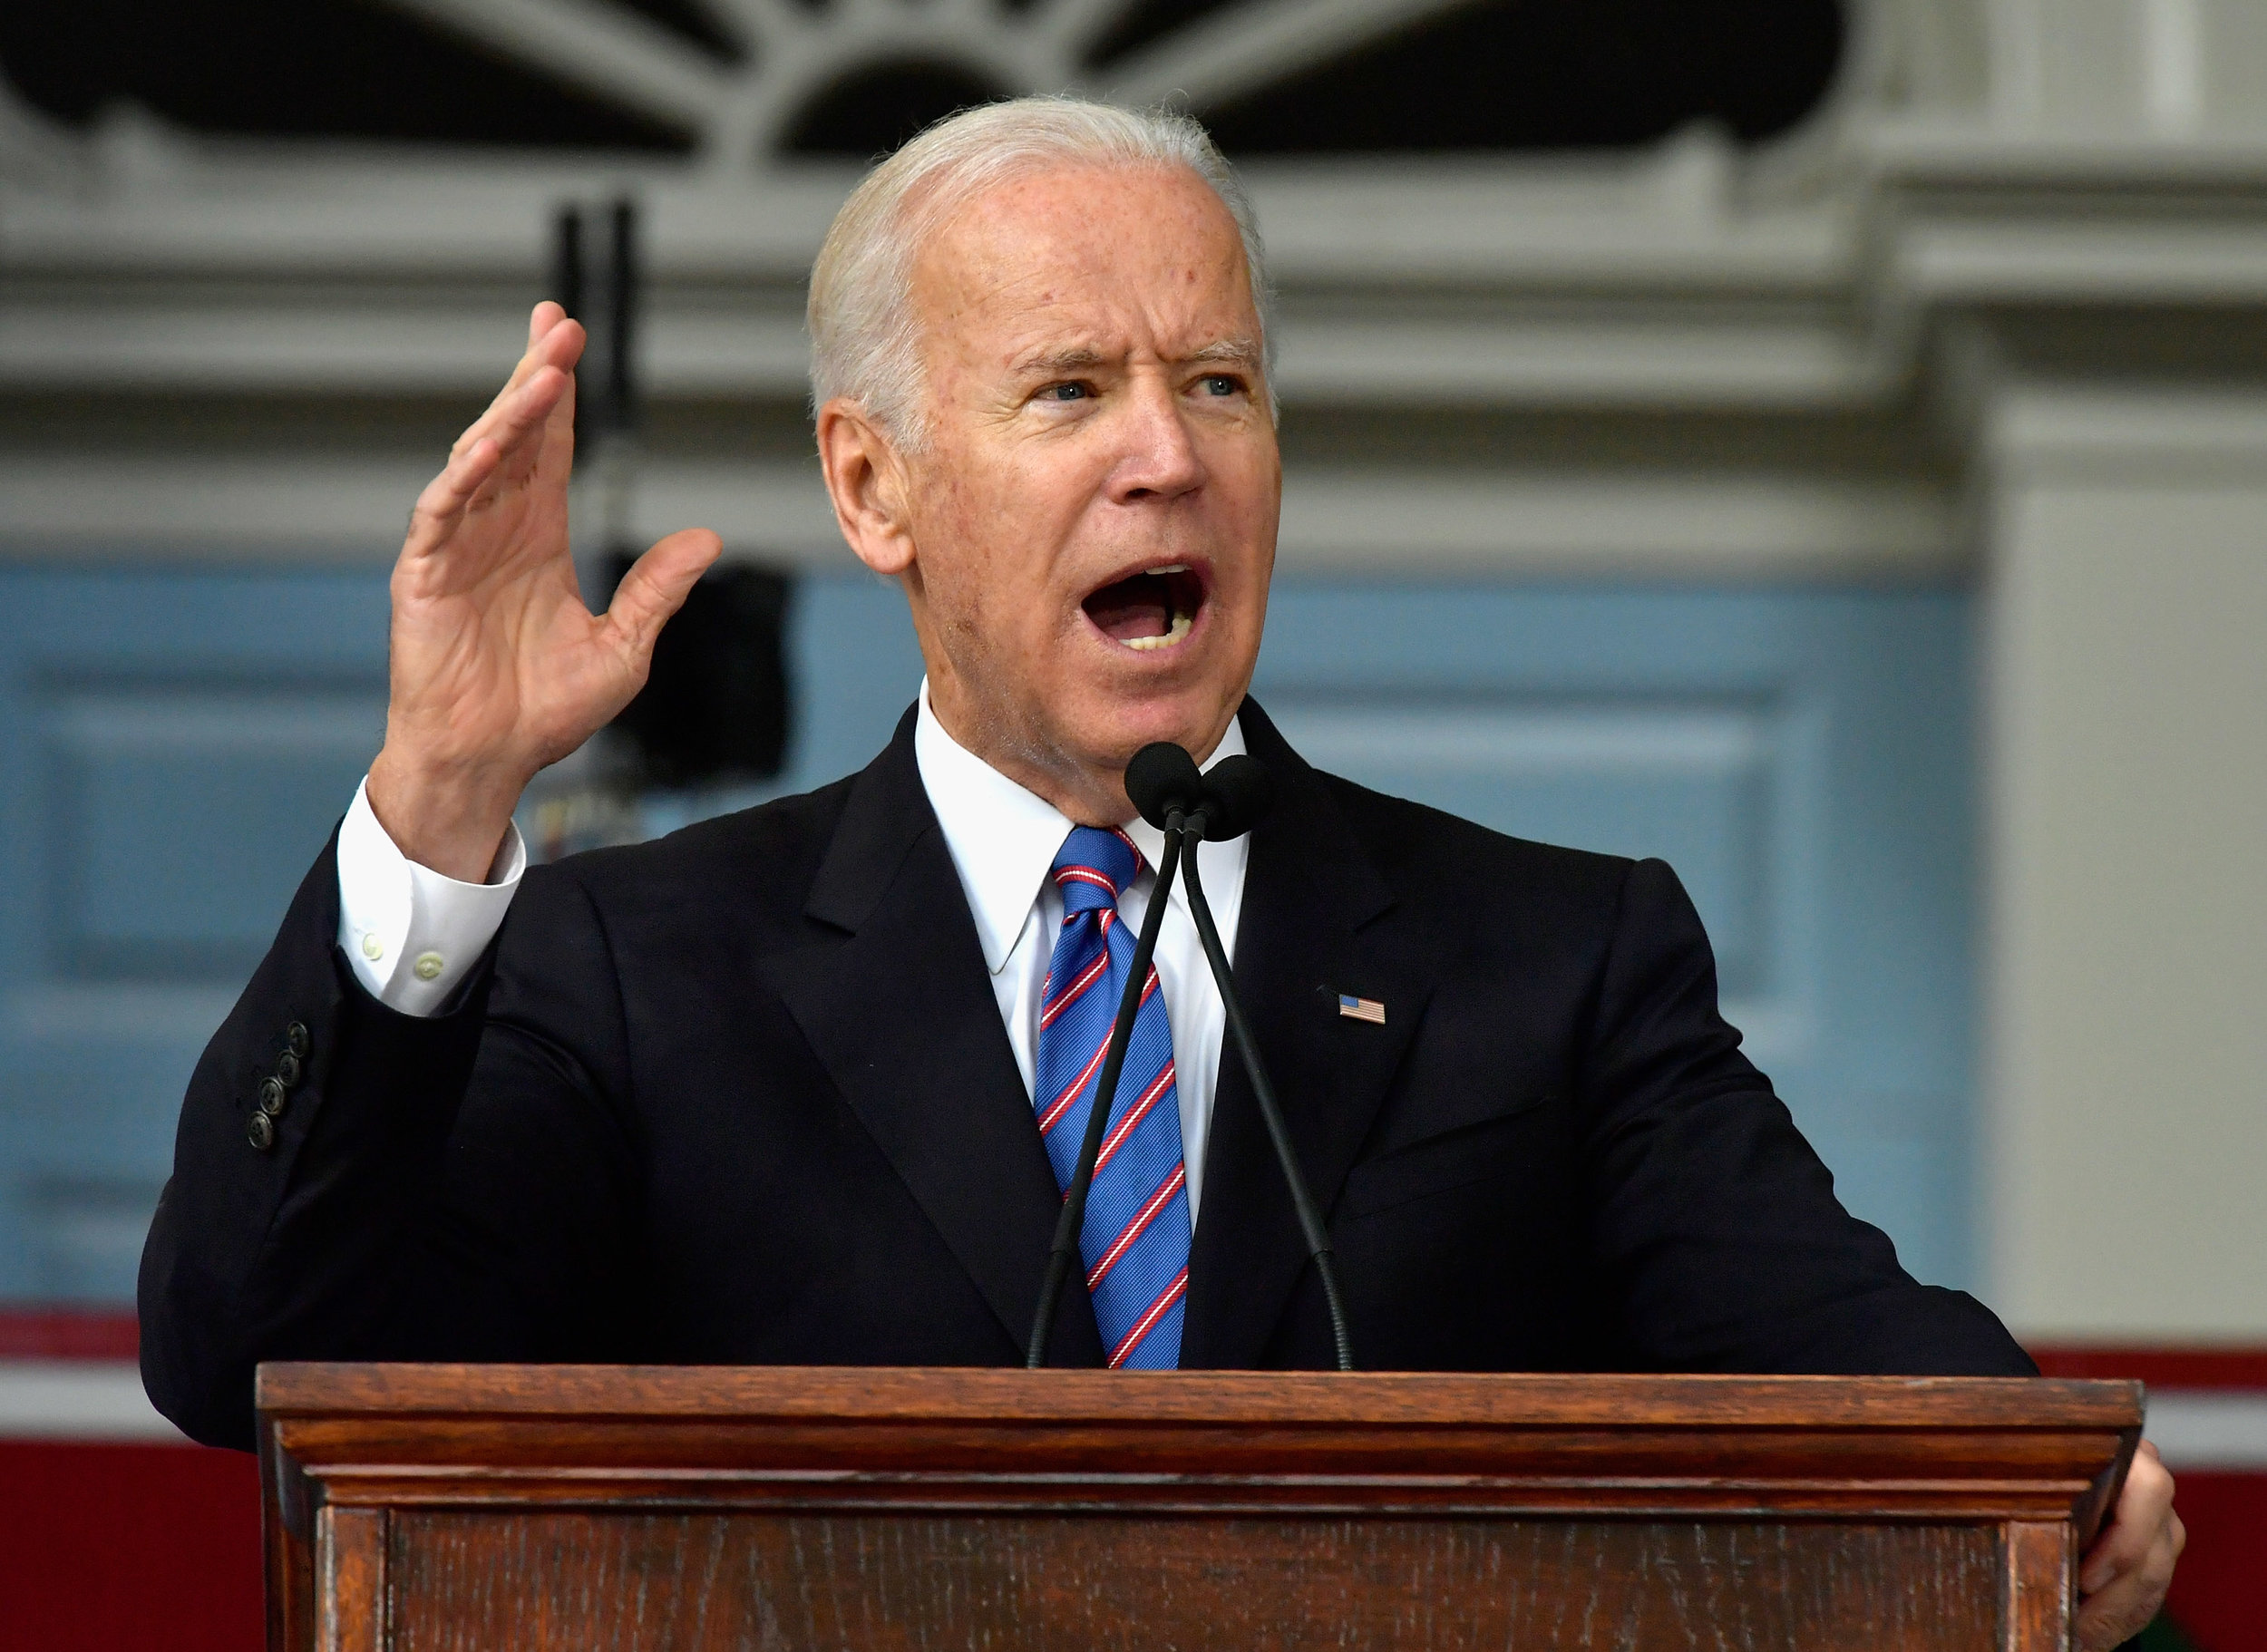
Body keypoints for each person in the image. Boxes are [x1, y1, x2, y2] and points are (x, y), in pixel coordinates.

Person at [136, 98, 2179, 1646]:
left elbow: (1851, 1362)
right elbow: (247, 1354)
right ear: (875, 484)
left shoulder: (1546, 961)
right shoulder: (633, 968)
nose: (1167, 454)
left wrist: (2056, 1500)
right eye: (1068, 390)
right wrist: (431, 802)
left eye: (1216, 382)